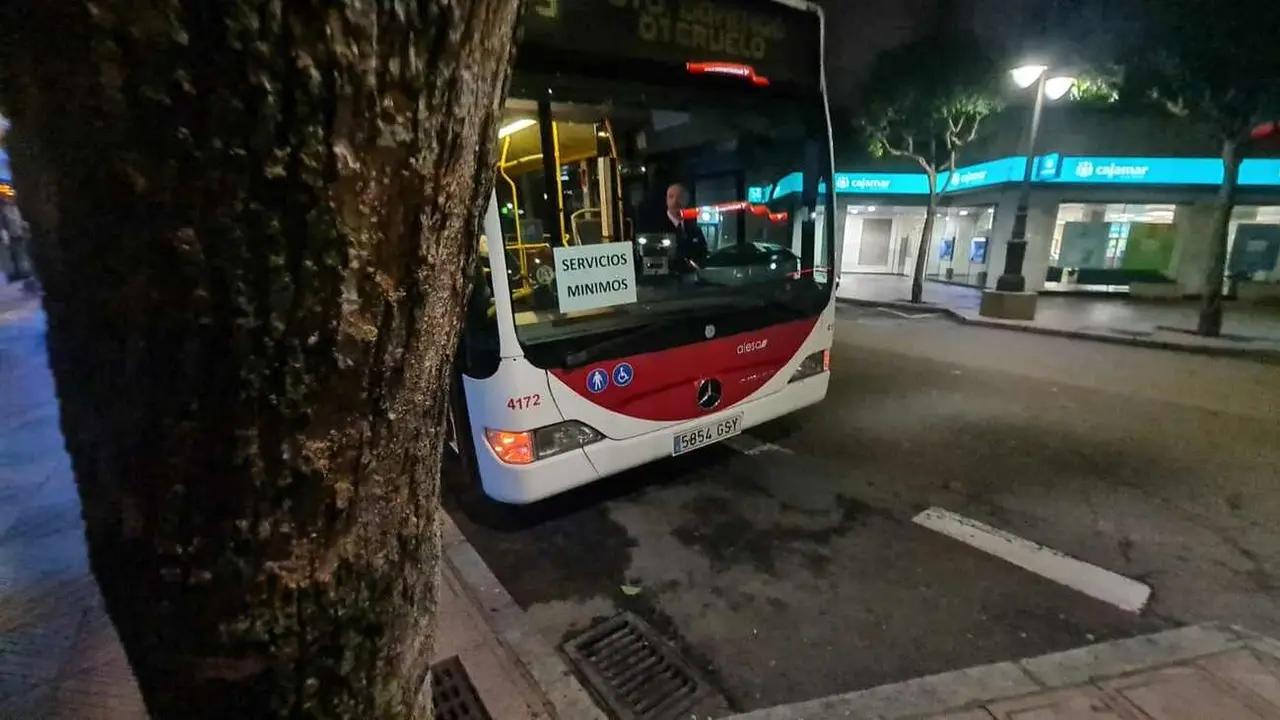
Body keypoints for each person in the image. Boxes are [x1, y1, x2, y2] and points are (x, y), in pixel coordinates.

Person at [650, 182, 708, 276]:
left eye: (680, 197)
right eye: (671, 196)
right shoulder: (654, 227)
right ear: (666, 200)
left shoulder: (695, 229)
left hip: (692, 284)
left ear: (687, 201)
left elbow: (703, 256)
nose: (675, 201)